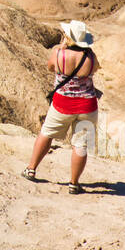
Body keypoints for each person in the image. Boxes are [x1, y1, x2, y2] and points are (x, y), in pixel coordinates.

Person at [22, 20, 101, 193]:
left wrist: (62, 47)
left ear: (68, 37)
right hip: (87, 106)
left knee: (47, 133)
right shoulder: (90, 57)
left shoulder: (58, 53)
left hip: (62, 104)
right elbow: (94, 69)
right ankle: (74, 183)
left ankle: (31, 169)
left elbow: (50, 67)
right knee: (80, 145)